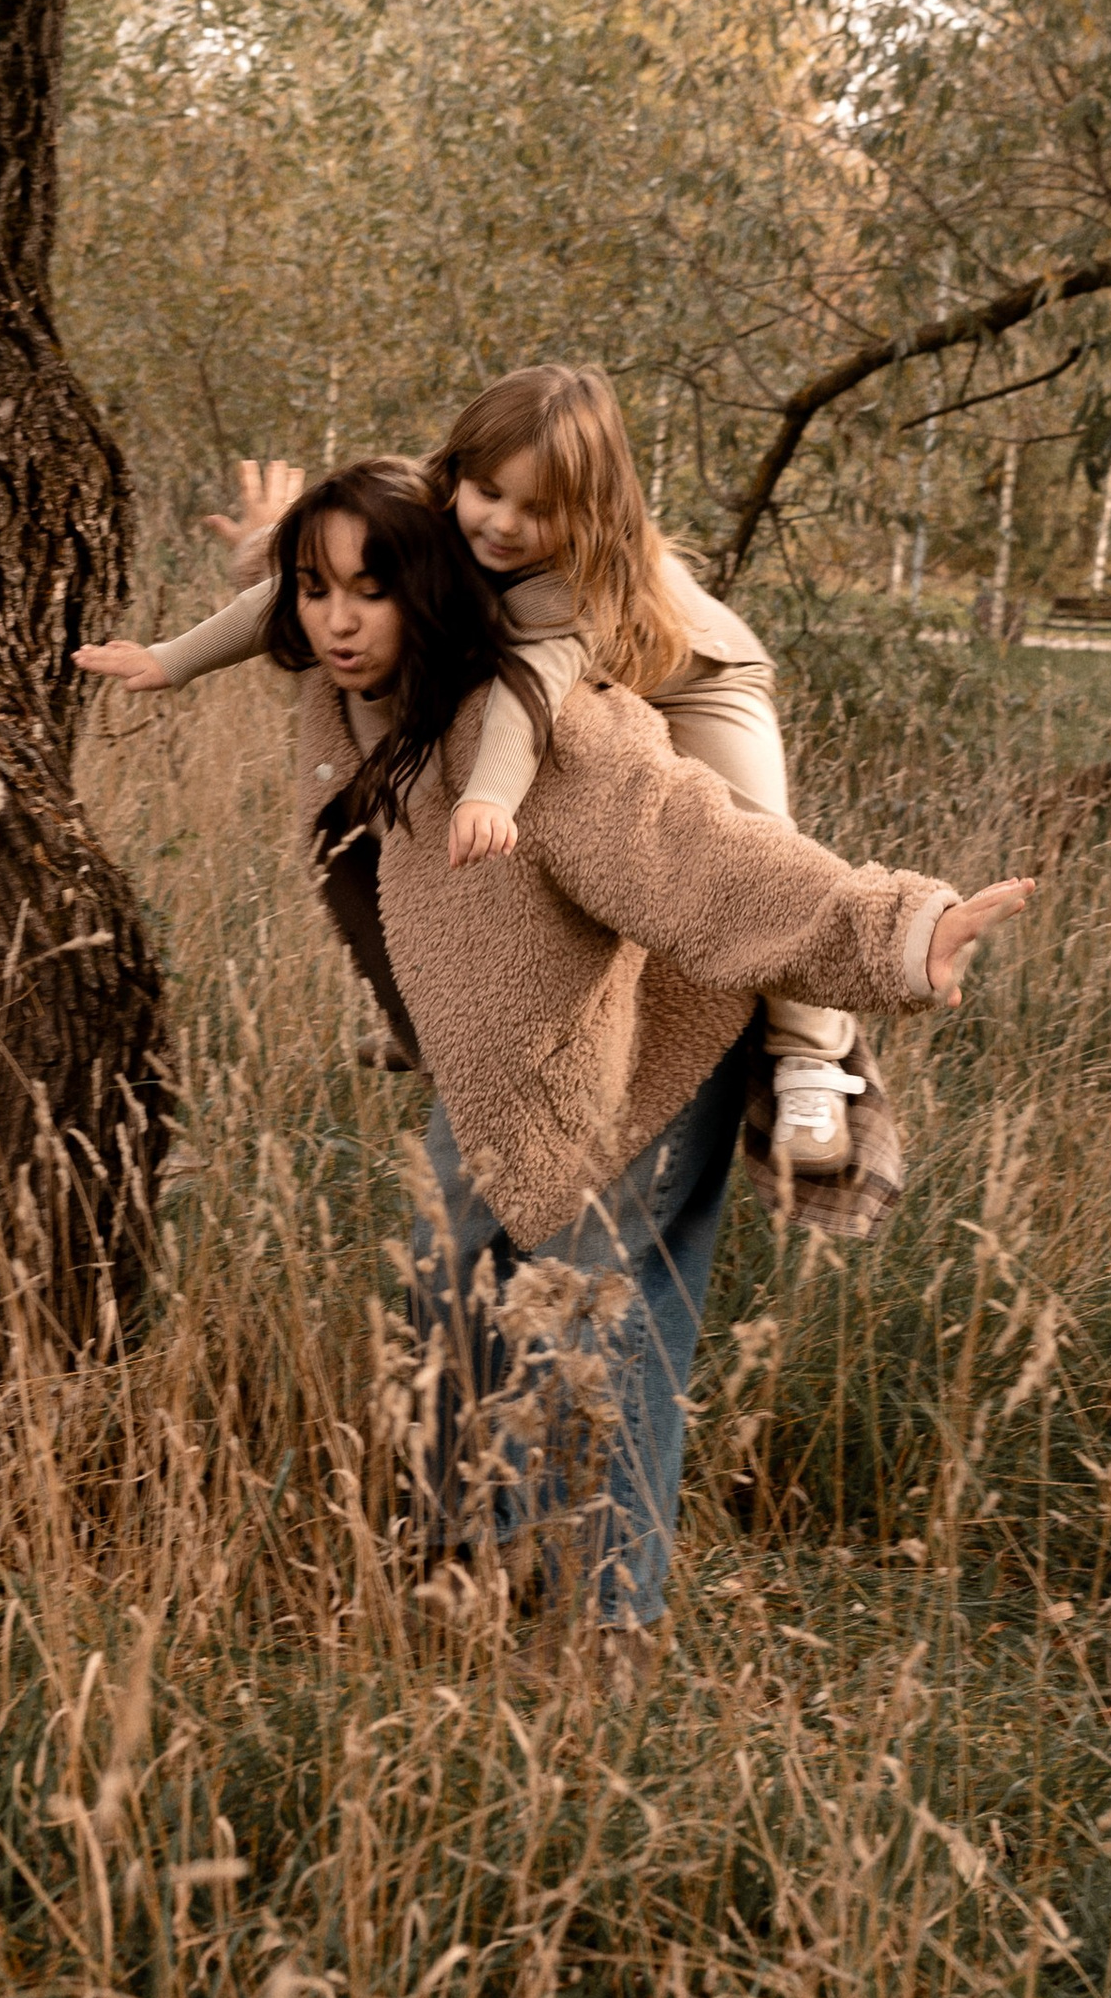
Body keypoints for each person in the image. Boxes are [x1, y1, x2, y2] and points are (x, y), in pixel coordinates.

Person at [194, 456, 1034, 1671]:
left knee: (600, 1301)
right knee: (451, 1266)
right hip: (521, 1034)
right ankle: (468, 1559)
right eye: (317, 590)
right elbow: (316, 596)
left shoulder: (551, 725)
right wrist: (280, 546)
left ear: (435, 592)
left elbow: (708, 852)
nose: (336, 620)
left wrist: (902, 928)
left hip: (665, 1019)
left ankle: (606, 1622)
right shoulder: (361, 680)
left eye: (369, 591)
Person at [76, 363, 885, 1192]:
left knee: (761, 853)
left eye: (538, 509)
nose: (502, 523)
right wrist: (172, 657)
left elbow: (524, 694)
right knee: (419, 818)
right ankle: (436, 1015)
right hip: (571, 699)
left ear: (589, 511)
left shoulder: (572, 582)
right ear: (457, 470)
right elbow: (308, 584)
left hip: (693, 676)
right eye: (490, 492)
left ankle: (812, 1055)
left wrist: (492, 794)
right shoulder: (435, 510)